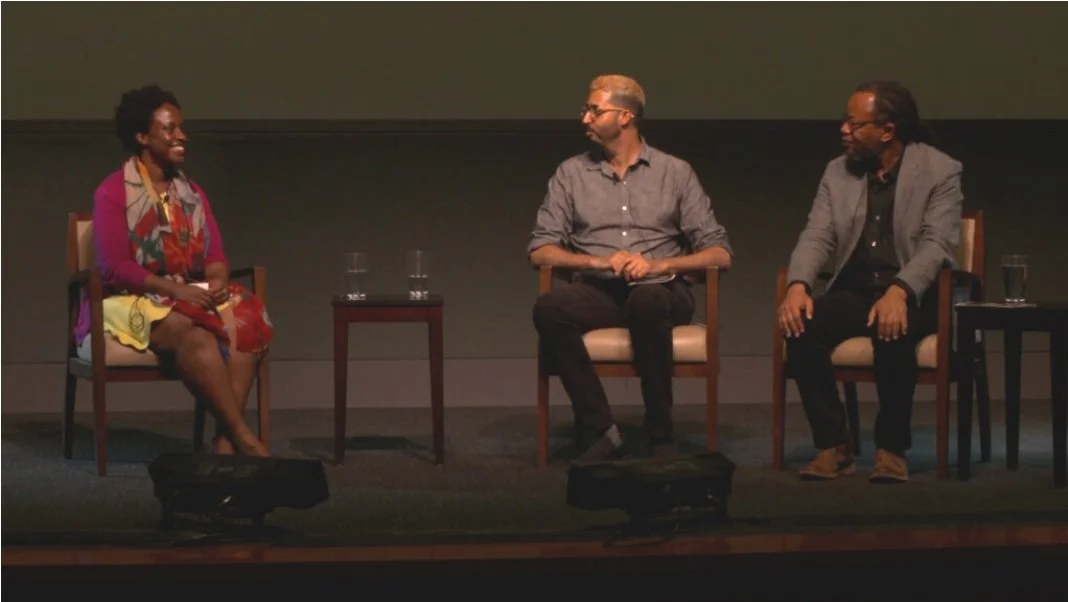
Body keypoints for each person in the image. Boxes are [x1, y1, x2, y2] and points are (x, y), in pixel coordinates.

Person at [529, 74, 733, 464]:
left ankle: (661, 433)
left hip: (663, 290)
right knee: (550, 308)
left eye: (594, 110)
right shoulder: (571, 174)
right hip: (602, 290)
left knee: (647, 299)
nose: (585, 119)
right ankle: (601, 428)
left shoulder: (675, 172)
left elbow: (720, 254)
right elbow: (541, 250)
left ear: (625, 117)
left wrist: (659, 264)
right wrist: (598, 261)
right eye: (585, 110)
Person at [779, 81, 963, 483]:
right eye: (844, 121)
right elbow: (817, 235)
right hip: (857, 290)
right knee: (801, 324)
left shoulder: (940, 170)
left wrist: (900, 290)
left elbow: (936, 244)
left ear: (887, 130)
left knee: (891, 326)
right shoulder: (837, 171)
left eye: (854, 123)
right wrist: (798, 285)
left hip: (915, 294)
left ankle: (891, 449)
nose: (844, 129)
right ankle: (834, 445)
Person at [74, 85, 272, 457]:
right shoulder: (113, 191)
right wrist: (177, 291)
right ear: (142, 137)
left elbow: (215, 254)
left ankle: (224, 444)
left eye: (181, 127)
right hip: (129, 298)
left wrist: (217, 280)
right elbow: (114, 267)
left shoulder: (192, 193)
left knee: (247, 317)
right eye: (170, 128)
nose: (182, 136)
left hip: (187, 292)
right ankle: (243, 438)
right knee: (193, 333)